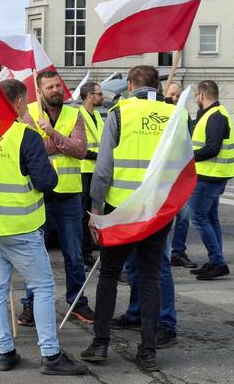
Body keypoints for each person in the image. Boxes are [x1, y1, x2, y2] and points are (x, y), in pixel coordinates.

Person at [0, 79, 88, 376]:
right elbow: (48, 181)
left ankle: (5, 352)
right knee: (43, 287)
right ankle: (50, 354)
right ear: (20, 103)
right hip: (21, 225)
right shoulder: (24, 136)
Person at [81, 66, 180, 372]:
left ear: (131, 84)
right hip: (156, 210)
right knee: (150, 277)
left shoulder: (119, 114)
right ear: (155, 85)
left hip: (120, 208)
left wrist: (95, 210)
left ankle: (100, 343)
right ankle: (148, 351)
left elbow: (104, 167)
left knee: (109, 273)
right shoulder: (174, 116)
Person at [20, 70, 94, 326]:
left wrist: (51, 134)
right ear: (39, 91)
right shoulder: (28, 112)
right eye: (50, 87)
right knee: (34, 254)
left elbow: (81, 151)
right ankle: (30, 304)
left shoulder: (74, 114)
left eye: (58, 86)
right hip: (39, 194)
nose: (56, 90)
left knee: (74, 254)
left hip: (69, 196)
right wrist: (64, 144)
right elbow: (30, 150)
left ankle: (77, 303)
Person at [188, 80, 234, 280]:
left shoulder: (215, 116)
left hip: (210, 175)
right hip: (213, 174)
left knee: (198, 218)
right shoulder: (214, 113)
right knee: (210, 218)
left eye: (196, 96)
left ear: (201, 94)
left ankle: (217, 261)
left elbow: (212, 148)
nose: (195, 99)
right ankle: (216, 259)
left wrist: (187, 157)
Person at [164, 82, 197, 269]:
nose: (175, 99)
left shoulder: (184, 114)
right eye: (172, 95)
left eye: (178, 95)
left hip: (179, 174)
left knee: (184, 216)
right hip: (163, 175)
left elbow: (188, 141)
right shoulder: (159, 112)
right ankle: (162, 253)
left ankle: (178, 252)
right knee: (164, 219)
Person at [79, 81, 104, 269]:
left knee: (91, 214)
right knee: (83, 214)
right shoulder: (78, 115)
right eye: (99, 93)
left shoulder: (97, 116)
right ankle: (83, 253)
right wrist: (100, 156)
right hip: (83, 171)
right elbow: (79, 147)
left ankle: (87, 250)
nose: (102, 97)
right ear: (89, 96)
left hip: (95, 170)